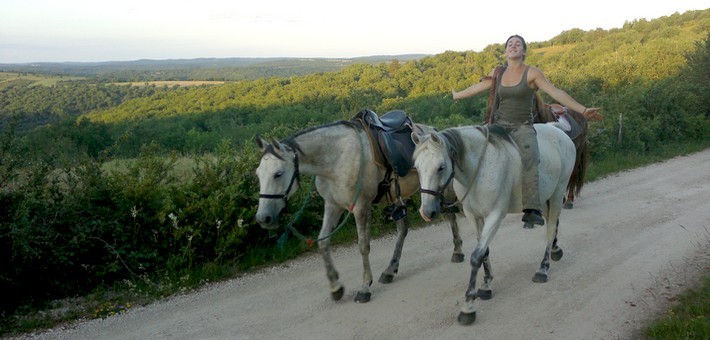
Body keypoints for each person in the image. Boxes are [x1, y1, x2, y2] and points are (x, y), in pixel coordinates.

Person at [452, 34, 600, 226]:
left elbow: (555, 92)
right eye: (510, 44)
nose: (513, 46)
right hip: (497, 125)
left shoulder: (532, 73)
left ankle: (531, 208)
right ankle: (470, 196)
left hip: (522, 127)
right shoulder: (498, 72)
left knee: (530, 158)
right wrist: (458, 95)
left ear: (523, 52)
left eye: (518, 44)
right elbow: (480, 86)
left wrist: (582, 109)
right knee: (474, 149)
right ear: (505, 51)